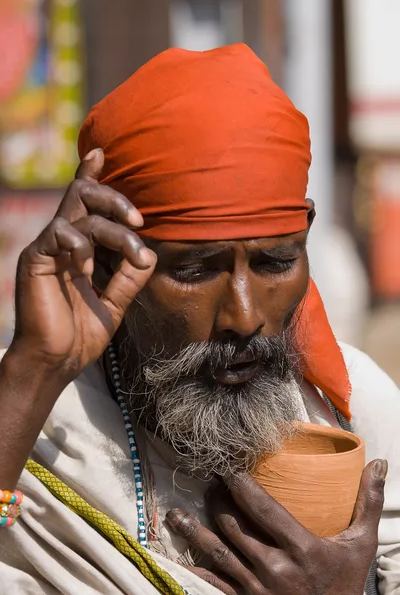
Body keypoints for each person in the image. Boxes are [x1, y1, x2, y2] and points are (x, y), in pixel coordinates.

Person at [0, 44, 399, 595]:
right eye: (193, 270)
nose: (244, 315)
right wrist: (35, 369)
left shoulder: (357, 415)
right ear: (110, 260)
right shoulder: (32, 418)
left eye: (276, 262)